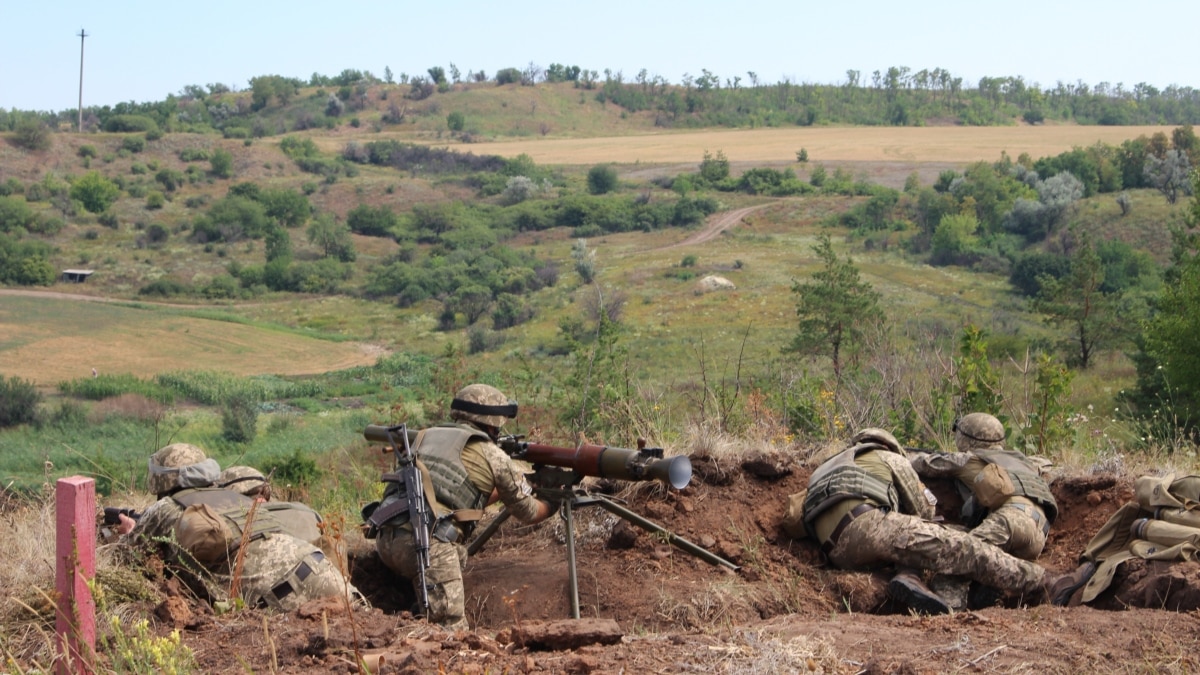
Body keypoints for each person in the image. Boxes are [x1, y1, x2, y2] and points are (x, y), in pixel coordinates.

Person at [800, 428, 1093, 615]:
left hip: (836, 550)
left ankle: (909, 575)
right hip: (868, 525)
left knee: (905, 541)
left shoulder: (827, 468)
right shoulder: (887, 457)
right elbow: (922, 510)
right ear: (889, 444)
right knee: (961, 546)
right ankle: (1047, 584)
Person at [366, 384, 557, 631]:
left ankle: (419, 611)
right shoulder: (493, 455)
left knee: (456, 555)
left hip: (386, 539)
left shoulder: (424, 436)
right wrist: (551, 504)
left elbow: (453, 498)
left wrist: (507, 489)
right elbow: (528, 512)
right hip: (425, 548)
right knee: (452, 636)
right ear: (493, 423)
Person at [117, 443, 364, 612]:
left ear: (162, 479)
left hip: (285, 590)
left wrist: (131, 532)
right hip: (321, 564)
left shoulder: (165, 508)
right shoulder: (237, 498)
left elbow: (126, 561)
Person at [908, 413, 1057, 561]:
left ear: (966, 438)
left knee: (958, 561)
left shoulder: (967, 459)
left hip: (1009, 521)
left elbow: (919, 463)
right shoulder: (1026, 461)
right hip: (1039, 536)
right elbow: (1047, 465)